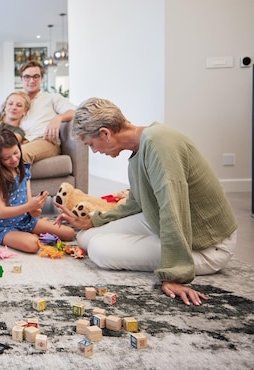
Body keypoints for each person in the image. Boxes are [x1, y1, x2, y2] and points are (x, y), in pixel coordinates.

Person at [54, 98, 238, 306]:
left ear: (105, 133)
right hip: (160, 220)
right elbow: (135, 203)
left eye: (91, 144)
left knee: (97, 249)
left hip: (209, 245)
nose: (95, 151)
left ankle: (178, 258)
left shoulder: (159, 144)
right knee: (86, 237)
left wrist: (175, 274)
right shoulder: (138, 148)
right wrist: (94, 221)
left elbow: (173, 207)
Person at [0, 60, 77, 225]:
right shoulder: (16, 100)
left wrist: (59, 118)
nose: (31, 80)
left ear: (41, 78)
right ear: (22, 79)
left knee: (19, 155)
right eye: (27, 76)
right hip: (18, 142)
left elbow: (74, 110)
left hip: (44, 141)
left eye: (36, 76)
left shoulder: (51, 98)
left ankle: (3, 203)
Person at [0, 128, 75, 253]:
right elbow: (2, 212)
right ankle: (29, 235)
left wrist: (35, 208)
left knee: (69, 233)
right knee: (33, 245)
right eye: (6, 158)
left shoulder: (24, 171)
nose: (14, 159)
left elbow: (30, 206)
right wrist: (29, 206)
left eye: (16, 152)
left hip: (26, 222)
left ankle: (32, 232)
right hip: (3, 228)